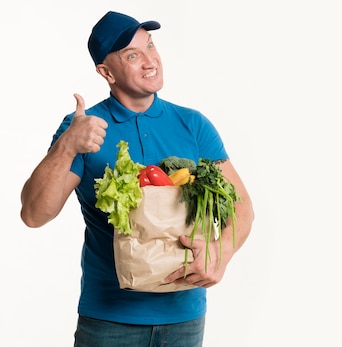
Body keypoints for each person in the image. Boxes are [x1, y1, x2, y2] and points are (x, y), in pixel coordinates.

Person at [20, 10, 254, 347]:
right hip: (109, 319)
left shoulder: (193, 124)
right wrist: (67, 147)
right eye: (132, 55)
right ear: (106, 71)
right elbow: (34, 214)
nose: (150, 61)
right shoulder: (83, 128)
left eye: (151, 46)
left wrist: (221, 252)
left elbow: (242, 204)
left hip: (185, 315)